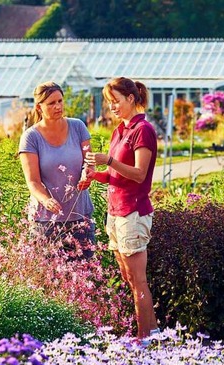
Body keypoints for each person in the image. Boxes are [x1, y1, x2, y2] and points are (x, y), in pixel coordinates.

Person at [83, 77, 159, 341]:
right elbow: (117, 176)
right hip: (115, 212)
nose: (112, 107)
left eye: (116, 101)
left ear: (131, 98)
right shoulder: (119, 131)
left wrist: (109, 161)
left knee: (138, 280)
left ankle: (143, 338)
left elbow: (138, 175)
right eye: (109, 102)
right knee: (128, 277)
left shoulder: (143, 130)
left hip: (133, 212)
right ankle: (153, 332)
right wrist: (95, 175)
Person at [19, 81, 95, 259]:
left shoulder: (78, 127)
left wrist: (88, 173)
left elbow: (89, 161)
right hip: (45, 221)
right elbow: (33, 181)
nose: (58, 106)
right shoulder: (31, 137)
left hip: (80, 215)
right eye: (51, 103)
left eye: (60, 101)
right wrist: (46, 200)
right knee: (50, 279)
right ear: (39, 107)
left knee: (86, 273)